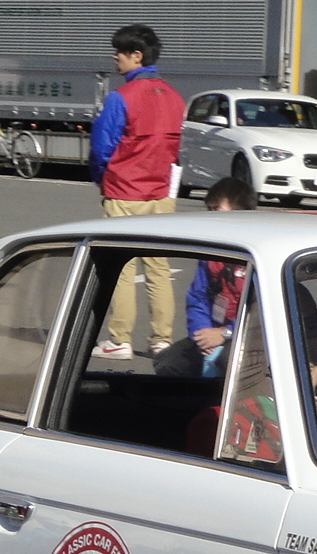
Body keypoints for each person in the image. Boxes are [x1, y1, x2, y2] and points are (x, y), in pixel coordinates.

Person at [89, 23, 181, 360]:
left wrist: (103, 179)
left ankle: (120, 338)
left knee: (122, 267)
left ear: (136, 56)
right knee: (158, 267)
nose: (115, 57)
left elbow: (101, 148)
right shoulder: (173, 96)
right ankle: (162, 339)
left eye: (120, 51)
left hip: (125, 191)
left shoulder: (121, 97)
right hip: (161, 194)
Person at [156, 177, 253, 380]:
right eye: (210, 211)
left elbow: (263, 312)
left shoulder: (256, 255)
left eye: (217, 211)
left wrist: (226, 333)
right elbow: (197, 297)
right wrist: (201, 334)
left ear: (241, 213)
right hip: (213, 331)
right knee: (167, 362)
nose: (212, 217)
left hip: (249, 337)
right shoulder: (211, 254)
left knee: (228, 363)